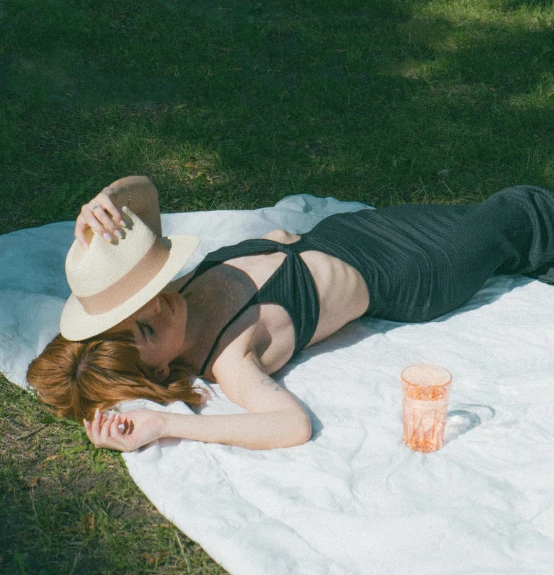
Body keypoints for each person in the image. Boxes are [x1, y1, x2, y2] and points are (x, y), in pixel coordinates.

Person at [27, 175, 554, 452]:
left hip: (358, 232)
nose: (158, 304)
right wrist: (163, 424)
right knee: (526, 213)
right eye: (146, 328)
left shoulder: (175, 298)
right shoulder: (229, 357)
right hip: (415, 271)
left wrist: (98, 209)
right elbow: (290, 424)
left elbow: (137, 216)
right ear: (162, 370)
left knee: (522, 223)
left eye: (136, 307)